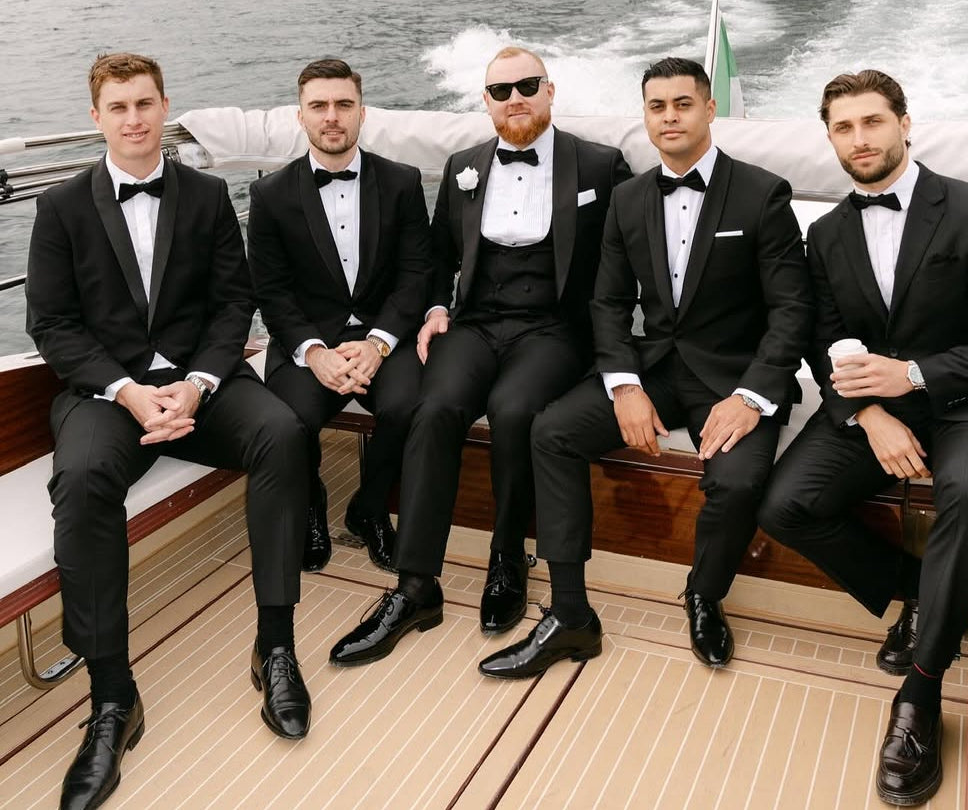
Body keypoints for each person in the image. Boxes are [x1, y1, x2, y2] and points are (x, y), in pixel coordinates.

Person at [757, 69, 968, 807]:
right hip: (879, 404)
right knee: (787, 504)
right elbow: (826, 341)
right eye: (843, 127)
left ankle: (919, 693)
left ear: (904, 123)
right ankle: (920, 592)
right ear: (830, 138)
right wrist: (869, 413)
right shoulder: (825, 233)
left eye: (872, 121)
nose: (859, 138)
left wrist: (914, 375)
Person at [26, 53, 312, 810]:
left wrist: (198, 382)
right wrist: (127, 392)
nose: (134, 119)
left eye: (145, 103)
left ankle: (275, 645)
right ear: (96, 117)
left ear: (164, 106)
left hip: (200, 384)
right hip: (107, 392)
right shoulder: (59, 208)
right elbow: (52, 324)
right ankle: (112, 695)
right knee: (82, 478)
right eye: (118, 107)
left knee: (283, 433)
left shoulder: (209, 195)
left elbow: (233, 303)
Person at [479, 56, 814, 679]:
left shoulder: (762, 193)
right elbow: (607, 302)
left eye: (683, 104)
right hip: (656, 367)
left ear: (710, 109)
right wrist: (625, 384)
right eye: (657, 107)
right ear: (646, 115)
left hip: (734, 378)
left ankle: (704, 594)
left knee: (738, 483)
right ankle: (571, 615)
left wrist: (751, 396)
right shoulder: (629, 198)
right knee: (551, 432)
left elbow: (792, 311)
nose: (670, 117)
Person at [327, 45, 632, 663]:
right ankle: (415, 585)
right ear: (486, 102)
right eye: (500, 91)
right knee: (433, 407)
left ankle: (507, 558)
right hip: (475, 322)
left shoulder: (600, 165)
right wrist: (437, 308)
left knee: (515, 411)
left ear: (550, 91)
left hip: (552, 328)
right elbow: (438, 258)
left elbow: (626, 259)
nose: (514, 99)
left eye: (527, 86)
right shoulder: (463, 166)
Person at [247, 59, 430, 573]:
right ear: (301, 116)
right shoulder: (269, 195)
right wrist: (313, 352)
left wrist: (379, 342)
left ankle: (369, 508)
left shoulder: (402, 182)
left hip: (382, 333)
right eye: (319, 106)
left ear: (362, 113)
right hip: (310, 339)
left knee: (411, 406)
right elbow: (271, 290)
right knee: (290, 418)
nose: (332, 116)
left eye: (344, 105)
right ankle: (310, 504)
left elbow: (416, 274)